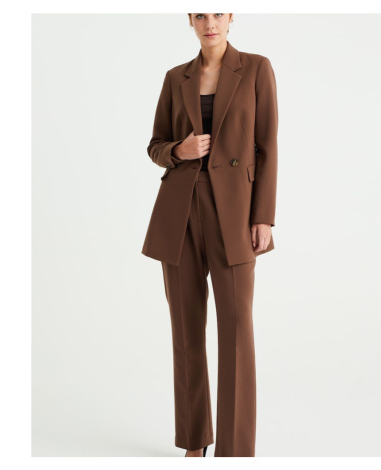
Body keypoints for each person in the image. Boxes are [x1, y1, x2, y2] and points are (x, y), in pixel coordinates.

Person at [142, 13, 278, 457]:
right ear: (190, 20)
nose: (210, 22)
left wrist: (263, 217)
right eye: (200, 14)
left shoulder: (256, 68)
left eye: (218, 12)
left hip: (234, 213)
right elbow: (156, 145)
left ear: (231, 16)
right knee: (185, 330)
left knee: (236, 329)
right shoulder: (175, 78)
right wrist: (178, 150)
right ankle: (194, 441)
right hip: (179, 211)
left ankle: (234, 451)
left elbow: (267, 146)